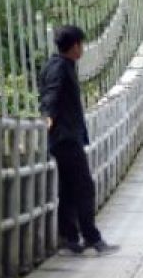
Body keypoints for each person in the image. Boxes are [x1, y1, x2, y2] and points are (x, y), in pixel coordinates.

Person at [38, 25, 120, 257]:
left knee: (68, 189)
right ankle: (92, 239)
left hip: (62, 137)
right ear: (74, 46)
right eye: (81, 44)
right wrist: (48, 118)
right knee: (84, 187)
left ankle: (70, 238)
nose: (82, 48)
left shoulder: (56, 65)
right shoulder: (60, 68)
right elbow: (50, 96)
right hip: (65, 138)